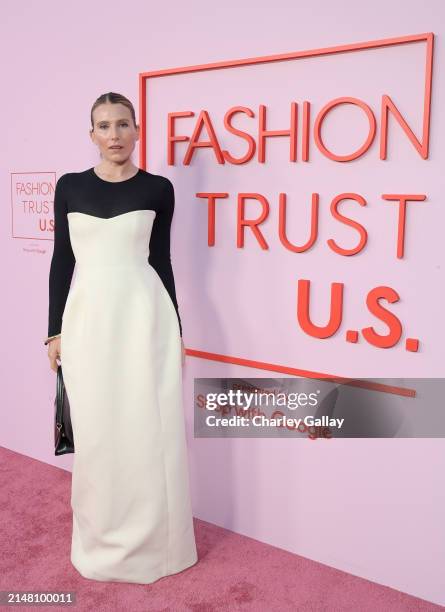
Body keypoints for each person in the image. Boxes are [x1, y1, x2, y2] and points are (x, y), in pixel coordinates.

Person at [44, 91, 198, 584]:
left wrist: (176, 328)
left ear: (137, 131)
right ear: (92, 135)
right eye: (104, 126)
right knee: (96, 433)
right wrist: (54, 331)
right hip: (86, 320)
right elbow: (61, 262)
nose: (114, 135)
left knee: (145, 429)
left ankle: (158, 546)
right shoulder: (69, 186)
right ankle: (100, 539)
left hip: (143, 318)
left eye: (123, 125)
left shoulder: (159, 188)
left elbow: (162, 261)